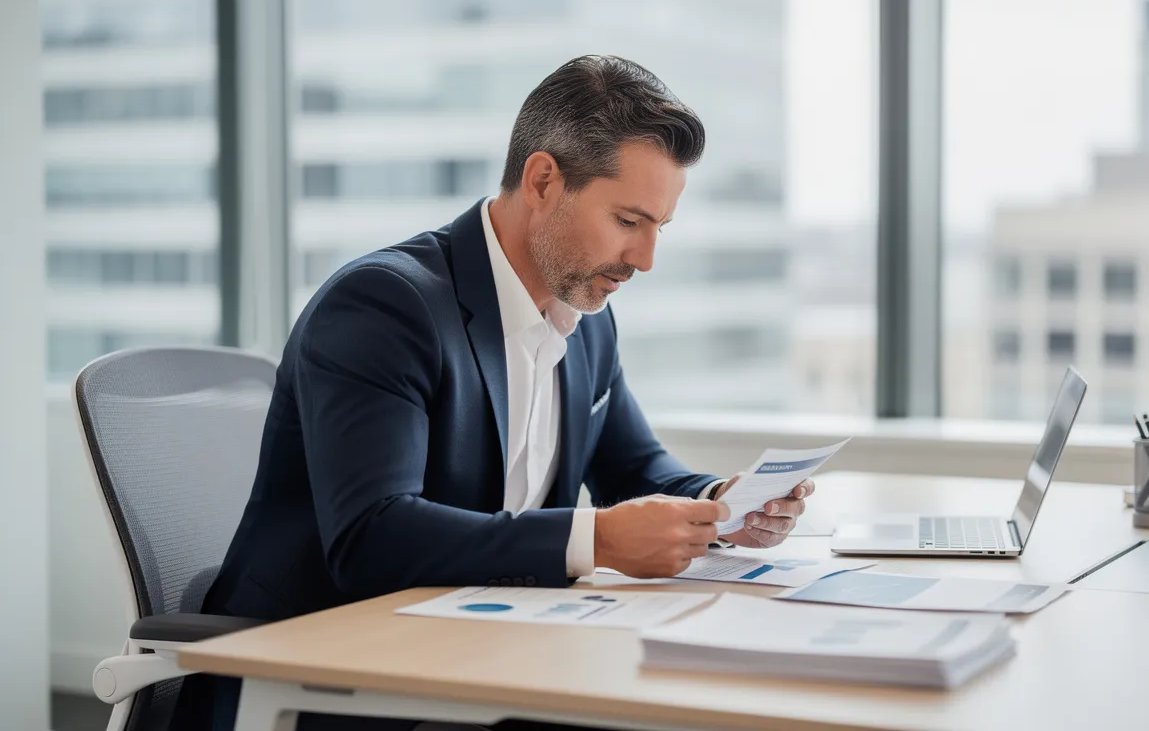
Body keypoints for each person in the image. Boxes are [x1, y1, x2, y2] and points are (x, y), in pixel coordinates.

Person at [170, 55, 814, 731]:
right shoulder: (385, 306)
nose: (646, 257)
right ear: (543, 180)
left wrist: (720, 506)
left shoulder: (586, 317)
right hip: (324, 684)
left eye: (660, 226)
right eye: (628, 221)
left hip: (483, 655)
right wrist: (596, 539)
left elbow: (636, 470)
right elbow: (372, 538)